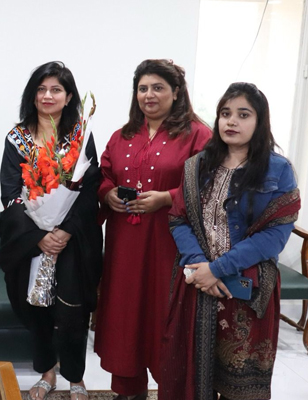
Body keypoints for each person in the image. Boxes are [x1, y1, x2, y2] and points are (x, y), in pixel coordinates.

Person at [159, 83, 300, 400]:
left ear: (259, 122)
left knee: (240, 383)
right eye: (225, 114)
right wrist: (201, 267)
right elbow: (178, 218)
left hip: (245, 290)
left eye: (243, 114)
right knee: (190, 377)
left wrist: (218, 269)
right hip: (196, 285)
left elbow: (274, 236)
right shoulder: (197, 166)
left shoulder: (278, 170)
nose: (231, 122)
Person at [94, 59, 212, 399]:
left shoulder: (197, 134)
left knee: (165, 314)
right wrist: (108, 192)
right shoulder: (122, 135)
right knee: (126, 314)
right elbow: (102, 174)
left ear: (176, 93)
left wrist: (167, 197)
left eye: (158, 87)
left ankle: (171, 389)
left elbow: (209, 183)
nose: (149, 95)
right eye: (143, 88)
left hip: (170, 243)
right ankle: (129, 390)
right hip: (125, 246)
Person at [0, 61, 102, 400]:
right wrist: (38, 236)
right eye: (41, 89)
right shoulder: (17, 138)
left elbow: (90, 189)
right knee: (37, 310)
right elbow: (11, 193)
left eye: (56, 89)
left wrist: (66, 231)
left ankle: (75, 378)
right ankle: (47, 373)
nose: (47, 95)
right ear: (32, 95)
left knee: (72, 312)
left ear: (69, 96)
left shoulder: (80, 136)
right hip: (32, 241)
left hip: (72, 240)